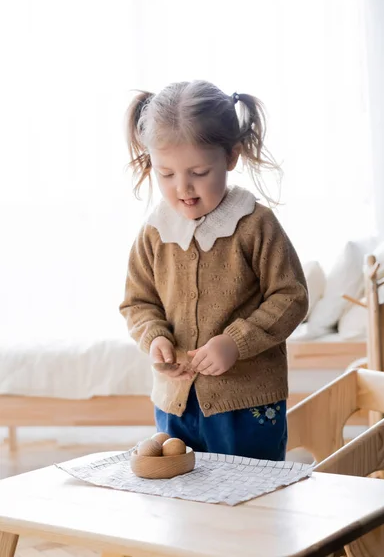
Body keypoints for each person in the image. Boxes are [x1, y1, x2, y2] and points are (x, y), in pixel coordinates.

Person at [120, 80, 308, 461]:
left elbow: (291, 297)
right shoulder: (155, 231)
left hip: (248, 405)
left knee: (254, 500)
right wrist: (154, 337)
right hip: (175, 402)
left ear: (231, 157)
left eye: (199, 172)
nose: (183, 188)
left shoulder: (255, 225)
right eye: (166, 174)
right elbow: (137, 303)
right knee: (184, 499)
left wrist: (236, 342)